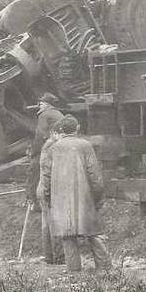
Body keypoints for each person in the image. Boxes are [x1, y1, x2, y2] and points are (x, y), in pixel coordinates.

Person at [40, 115, 111, 272]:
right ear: (77, 128)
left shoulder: (53, 148)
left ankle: (74, 274)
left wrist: (47, 197)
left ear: (61, 130)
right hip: (85, 198)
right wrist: (98, 197)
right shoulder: (85, 146)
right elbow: (95, 175)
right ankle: (105, 269)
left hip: (60, 200)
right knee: (94, 234)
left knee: (68, 236)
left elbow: (46, 176)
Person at [26, 92, 65, 211]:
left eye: (41, 103)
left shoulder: (44, 114)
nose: (39, 106)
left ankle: (34, 202)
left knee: (34, 171)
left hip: (49, 147)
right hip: (61, 147)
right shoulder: (58, 113)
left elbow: (41, 135)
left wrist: (33, 152)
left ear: (48, 105)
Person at [35, 130, 65, 265]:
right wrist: (48, 194)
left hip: (44, 189)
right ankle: (59, 258)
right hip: (48, 190)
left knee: (47, 225)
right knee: (54, 225)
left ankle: (49, 257)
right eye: (61, 134)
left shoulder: (50, 146)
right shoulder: (50, 147)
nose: (63, 137)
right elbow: (47, 173)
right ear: (54, 133)